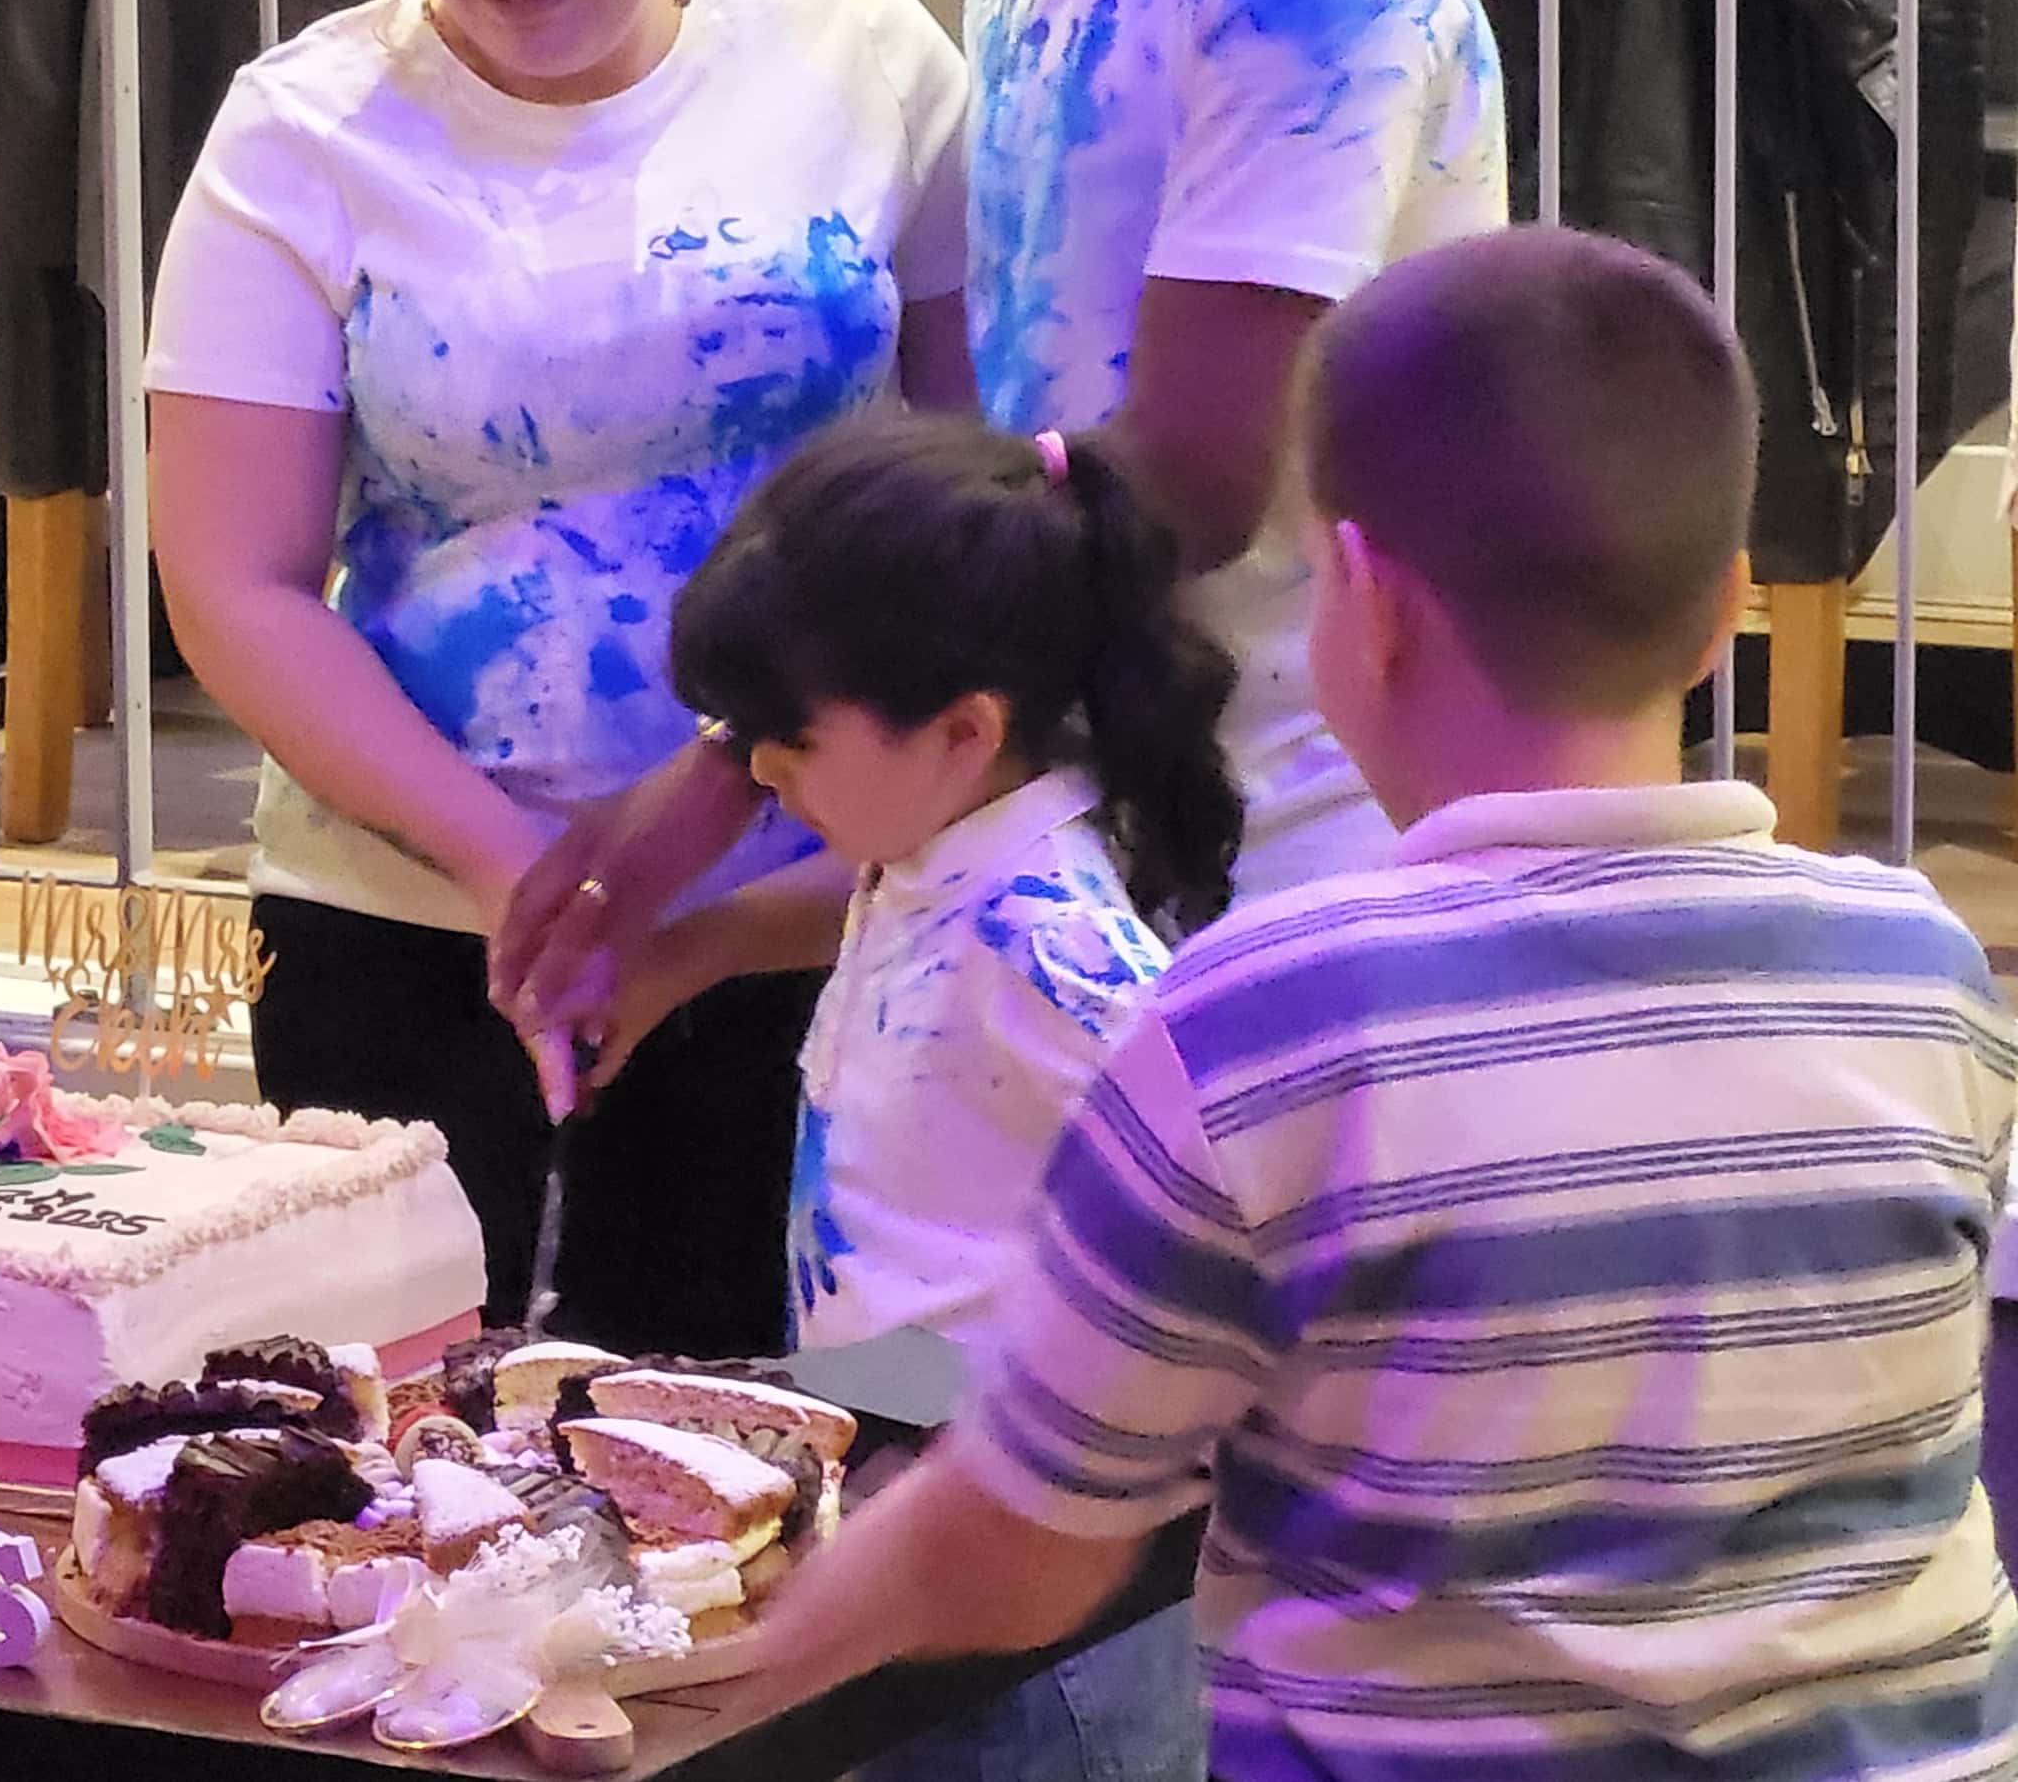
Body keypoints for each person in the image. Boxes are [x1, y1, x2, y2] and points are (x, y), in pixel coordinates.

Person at [752, 225, 2018, 1779]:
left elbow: (1024, 1546)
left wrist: (737, 1654)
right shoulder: (1926, 973)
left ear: (1363, 600)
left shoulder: (1259, 1029)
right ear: (1724, 616)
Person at [496, 0, 1503, 1091]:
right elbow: (1014, 454)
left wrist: (749, 735)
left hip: (1315, 897)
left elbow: (1179, 480)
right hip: (1087, 879)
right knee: (912, 1352)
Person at [144, 0, 972, 1354]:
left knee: (762, 1461)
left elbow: (969, 489)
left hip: (807, 901)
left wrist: (746, 872)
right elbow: (234, 579)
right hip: (409, 918)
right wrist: (519, 869)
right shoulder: (300, 134)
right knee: (400, 1473)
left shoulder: (862, 49)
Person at [655, 410, 1234, 1780]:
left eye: (787, 735)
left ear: (964, 730)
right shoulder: (918, 858)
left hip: (1050, 1631)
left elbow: (1227, 1203)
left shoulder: (1043, 942)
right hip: (924, 1532)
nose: (755, 770)